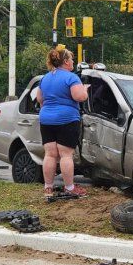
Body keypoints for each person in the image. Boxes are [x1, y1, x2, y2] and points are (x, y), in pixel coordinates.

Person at [37, 46, 89, 198]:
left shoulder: (45, 78)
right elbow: (79, 97)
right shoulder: (71, 77)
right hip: (66, 119)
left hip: (46, 119)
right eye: (71, 59)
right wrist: (85, 90)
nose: (73, 61)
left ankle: (48, 187)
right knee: (66, 155)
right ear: (66, 62)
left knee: (50, 154)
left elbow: (40, 99)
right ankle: (69, 187)